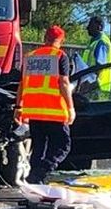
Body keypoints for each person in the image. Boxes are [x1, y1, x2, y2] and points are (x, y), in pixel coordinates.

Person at [14, 25, 75, 184]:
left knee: (39, 147)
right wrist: (70, 107)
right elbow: (64, 83)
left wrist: (18, 107)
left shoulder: (30, 57)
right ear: (61, 41)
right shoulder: (60, 56)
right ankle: (40, 173)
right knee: (62, 146)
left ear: (44, 38)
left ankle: (35, 181)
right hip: (54, 111)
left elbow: (22, 84)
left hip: (33, 111)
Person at [82, 16, 111, 91]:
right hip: (90, 84)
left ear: (99, 27)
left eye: (90, 25)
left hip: (96, 86)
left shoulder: (101, 42)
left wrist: (89, 83)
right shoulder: (94, 42)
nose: (87, 28)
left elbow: (100, 66)